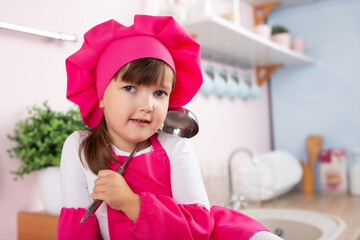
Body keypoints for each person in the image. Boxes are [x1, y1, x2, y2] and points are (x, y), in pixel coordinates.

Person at [58, 14, 283, 240]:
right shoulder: (79, 147)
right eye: (130, 88)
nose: (147, 106)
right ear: (101, 95)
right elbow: (77, 230)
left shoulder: (175, 146)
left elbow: (198, 228)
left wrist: (132, 203)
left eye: (159, 93)